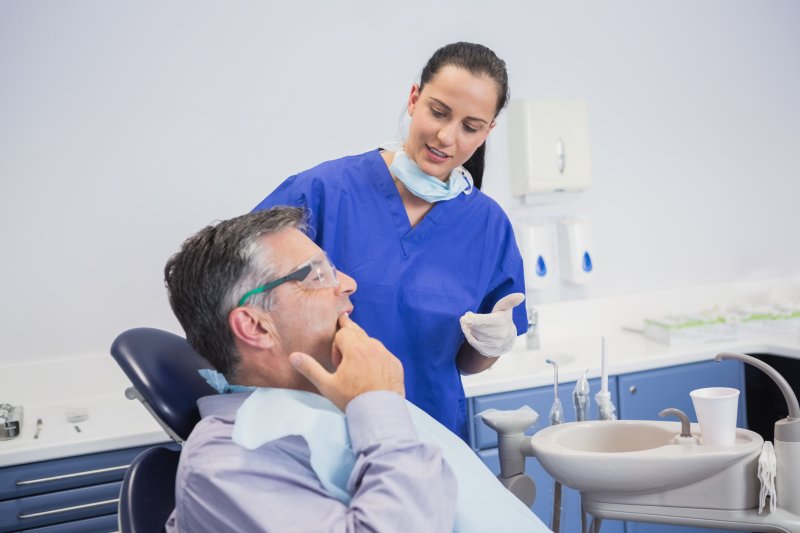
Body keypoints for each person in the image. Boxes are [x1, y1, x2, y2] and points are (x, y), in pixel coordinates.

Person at [162, 207, 548, 532]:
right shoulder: (224, 466)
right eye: (316, 275)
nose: (348, 283)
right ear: (255, 327)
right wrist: (378, 404)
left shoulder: (342, 401)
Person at [252, 42, 527, 440]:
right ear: (414, 99)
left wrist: (490, 345)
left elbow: (466, 364)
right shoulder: (324, 192)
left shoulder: (489, 227)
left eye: (470, 127)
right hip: (320, 431)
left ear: (488, 131)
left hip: (430, 435)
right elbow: (238, 287)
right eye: (438, 112)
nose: (446, 136)